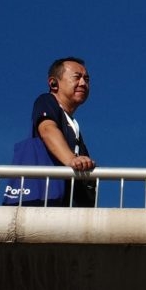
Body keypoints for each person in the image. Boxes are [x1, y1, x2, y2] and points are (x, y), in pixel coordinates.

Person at [32, 56, 97, 207]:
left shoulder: (72, 124)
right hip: (48, 201)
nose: (83, 83)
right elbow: (47, 129)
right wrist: (71, 159)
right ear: (53, 83)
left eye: (86, 79)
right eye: (77, 77)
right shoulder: (47, 101)